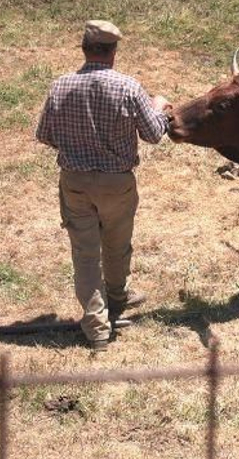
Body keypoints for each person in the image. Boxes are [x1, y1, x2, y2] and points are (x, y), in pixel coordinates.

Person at [35, 20, 172, 350]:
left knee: (85, 254)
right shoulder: (128, 87)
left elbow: (44, 134)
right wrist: (160, 108)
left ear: (84, 49)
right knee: (117, 243)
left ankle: (96, 329)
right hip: (117, 183)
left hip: (75, 182)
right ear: (113, 52)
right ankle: (117, 295)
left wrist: (76, 146)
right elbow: (154, 134)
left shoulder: (60, 86)